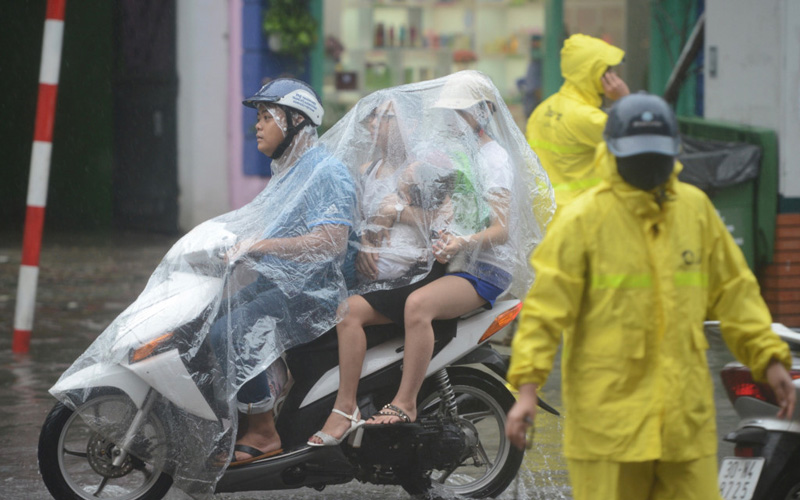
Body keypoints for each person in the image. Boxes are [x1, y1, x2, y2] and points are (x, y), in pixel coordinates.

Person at [505, 92, 796, 500]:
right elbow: (544, 312)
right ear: (613, 152)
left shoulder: (695, 211)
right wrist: (528, 388)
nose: (647, 166)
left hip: (683, 425)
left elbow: (736, 293)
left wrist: (768, 358)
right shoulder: (583, 220)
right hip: (609, 428)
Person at [209, 78, 357, 465]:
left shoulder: (325, 172)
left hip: (316, 295)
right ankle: (243, 413)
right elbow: (270, 228)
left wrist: (260, 246)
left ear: (294, 121)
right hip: (285, 283)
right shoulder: (288, 171)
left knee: (230, 330)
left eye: (266, 117)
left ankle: (263, 431)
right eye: (257, 117)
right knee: (210, 316)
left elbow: (331, 242)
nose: (257, 125)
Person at [364, 71, 525, 426]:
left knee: (417, 305)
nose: (452, 119)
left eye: (460, 111)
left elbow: (500, 230)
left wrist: (462, 242)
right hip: (458, 260)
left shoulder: (494, 159)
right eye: (448, 112)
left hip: (485, 269)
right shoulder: (459, 154)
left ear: (483, 113)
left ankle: (405, 402)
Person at [307, 96, 457, 446]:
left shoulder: (426, 167)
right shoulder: (367, 171)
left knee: (348, 314)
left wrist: (395, 212)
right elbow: (360, 225)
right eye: (372, 118)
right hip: (373, 276)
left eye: (386, 117)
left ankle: (345, 408)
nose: (375, 124)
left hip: (416, 275)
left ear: (410, 124)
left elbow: (445, 221)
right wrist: (363, 250)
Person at [525, 33, 630, 208]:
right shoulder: (588, 117)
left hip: (545, 212)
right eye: (608, 70)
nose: (614, 76)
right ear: (593, 73)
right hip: (581, 214)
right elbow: (637, 140)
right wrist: (625, 99)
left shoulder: (542, 109)